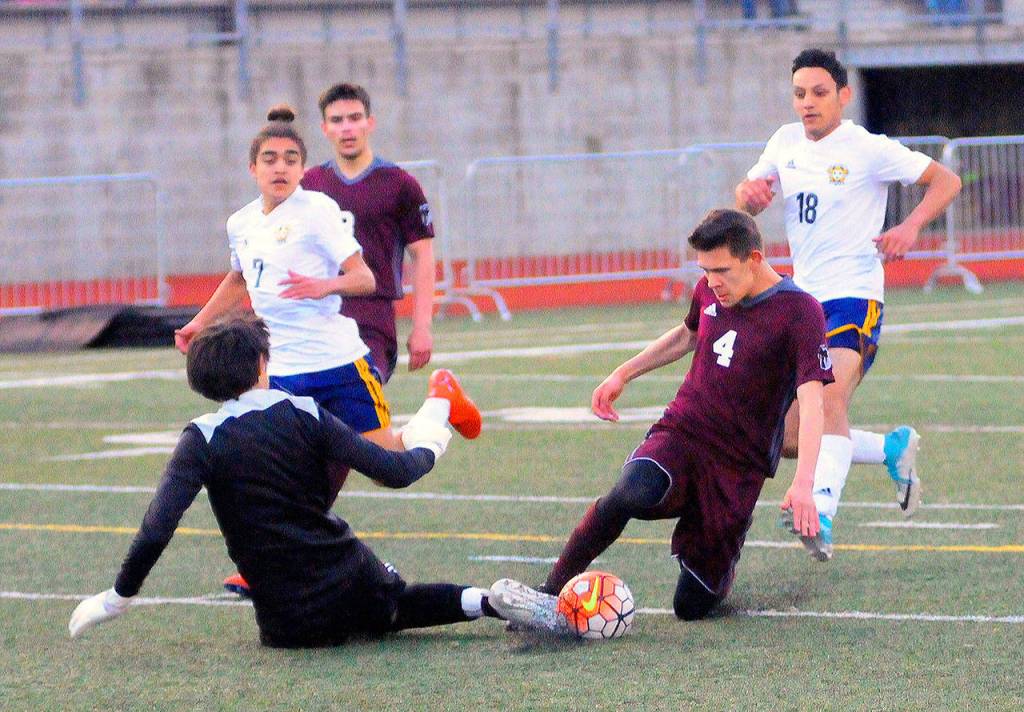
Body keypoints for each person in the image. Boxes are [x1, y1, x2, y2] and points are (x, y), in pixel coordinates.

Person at [173, 105, 481, 595]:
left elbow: (365, 278)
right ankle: (268, 568)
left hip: (340, 366)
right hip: (283, 373)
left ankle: (442, 401)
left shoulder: (316, 210)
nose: (280, 168)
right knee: (289, 477)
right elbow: (238, 278)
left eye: (291, 159)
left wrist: (321, 286)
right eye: (270, 159)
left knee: (392, 469)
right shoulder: (242, 223)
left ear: (302, 167)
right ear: (252, 168)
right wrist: (196, 324)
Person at [488, 209, 833, 630]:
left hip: (738, 466)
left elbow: (813, 403)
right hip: (684, 431)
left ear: (755, 260)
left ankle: (719, 568)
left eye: (721, 270)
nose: (712, 282)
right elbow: (688, 334)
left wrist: (804, 483)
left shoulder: (801, 311)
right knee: (628, 492)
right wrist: (623, 372)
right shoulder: (709, 290)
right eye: (705, 270)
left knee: (691, 607)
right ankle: (548, 594)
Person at [68, 315, 505, 647]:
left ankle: (488, 600)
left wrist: (115, 599)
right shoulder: (303, 411)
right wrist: (435, 441)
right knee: (394, 605)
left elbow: (155, 529)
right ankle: (490, 599)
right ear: (262, 364)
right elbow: (396, 471)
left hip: (287, 626)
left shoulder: (199, 438)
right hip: (351, 578)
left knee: (386, 611)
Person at [734, 48, 962, 560]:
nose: (807, 103)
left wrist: (909, 226)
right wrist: (748, 195)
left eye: (818, 93)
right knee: (793, 437)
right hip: (801, 302)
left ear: (843, 95)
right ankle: (888, 448)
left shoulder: (867, 148)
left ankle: (819, 511)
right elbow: (747, 195)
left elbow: (946, 181)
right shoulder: (784, 141)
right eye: (799, 94)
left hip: (855, 296)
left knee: (830, 400)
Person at [301, 83, 436, 384]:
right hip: (319, 316)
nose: (347, 128)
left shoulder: (399, 184)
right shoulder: (308, 185)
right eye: (337, 120)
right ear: (325, 128)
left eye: (354, 118)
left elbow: (423, 256)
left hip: (373, 318)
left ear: (369, 123)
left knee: (360, 397)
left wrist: (422, 327)